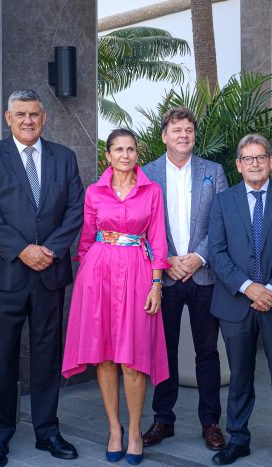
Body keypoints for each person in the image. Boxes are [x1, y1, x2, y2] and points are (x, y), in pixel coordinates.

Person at [0, 89, 84, 466]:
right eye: (20, 114)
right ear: (8, 118)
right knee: (2, 360)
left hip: (49, 274)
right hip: (4, 275)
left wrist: (48, 250)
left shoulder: (64, 158)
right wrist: (22, 249)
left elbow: (75, 211)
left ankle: (47, 432)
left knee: (46, 356)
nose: (28, 120)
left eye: (34, 114)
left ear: (44, 117)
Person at [62, 128, 170, 465]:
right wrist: (86, 281)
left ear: (138, 154)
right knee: (105, 355)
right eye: (118, 149)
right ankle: (114, 429)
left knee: (133, 358)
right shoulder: (94, 192)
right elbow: (84, 240)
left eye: (131, 149)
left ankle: (135, 431)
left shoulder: (152, 191)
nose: (125, 155)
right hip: (98, 274)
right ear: (107, 155)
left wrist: (157, 284)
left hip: (138, 273)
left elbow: (158, 240)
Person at [207, 134, 272, 467]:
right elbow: (217, 252)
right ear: (238, 165)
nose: (255, 163)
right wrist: (249, 287)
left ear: (271, 161)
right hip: (236, 302)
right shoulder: (223, 202)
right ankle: (238, 439)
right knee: (239, 377)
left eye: (260, 157)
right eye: (248, 159)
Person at [141, 107, 229, 451]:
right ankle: (163, 419)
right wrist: (167, 261)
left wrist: (198, 257)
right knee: (164, 351)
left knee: (207, 352)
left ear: (194, 136)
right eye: (176, 130)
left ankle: (210, 422)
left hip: (204, 274)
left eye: (189, 130)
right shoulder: (146, 174)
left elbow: (221, 221)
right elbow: (142, 225)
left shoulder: (214, 172)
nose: (183, 135)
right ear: (164, 136)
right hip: (164, 277)